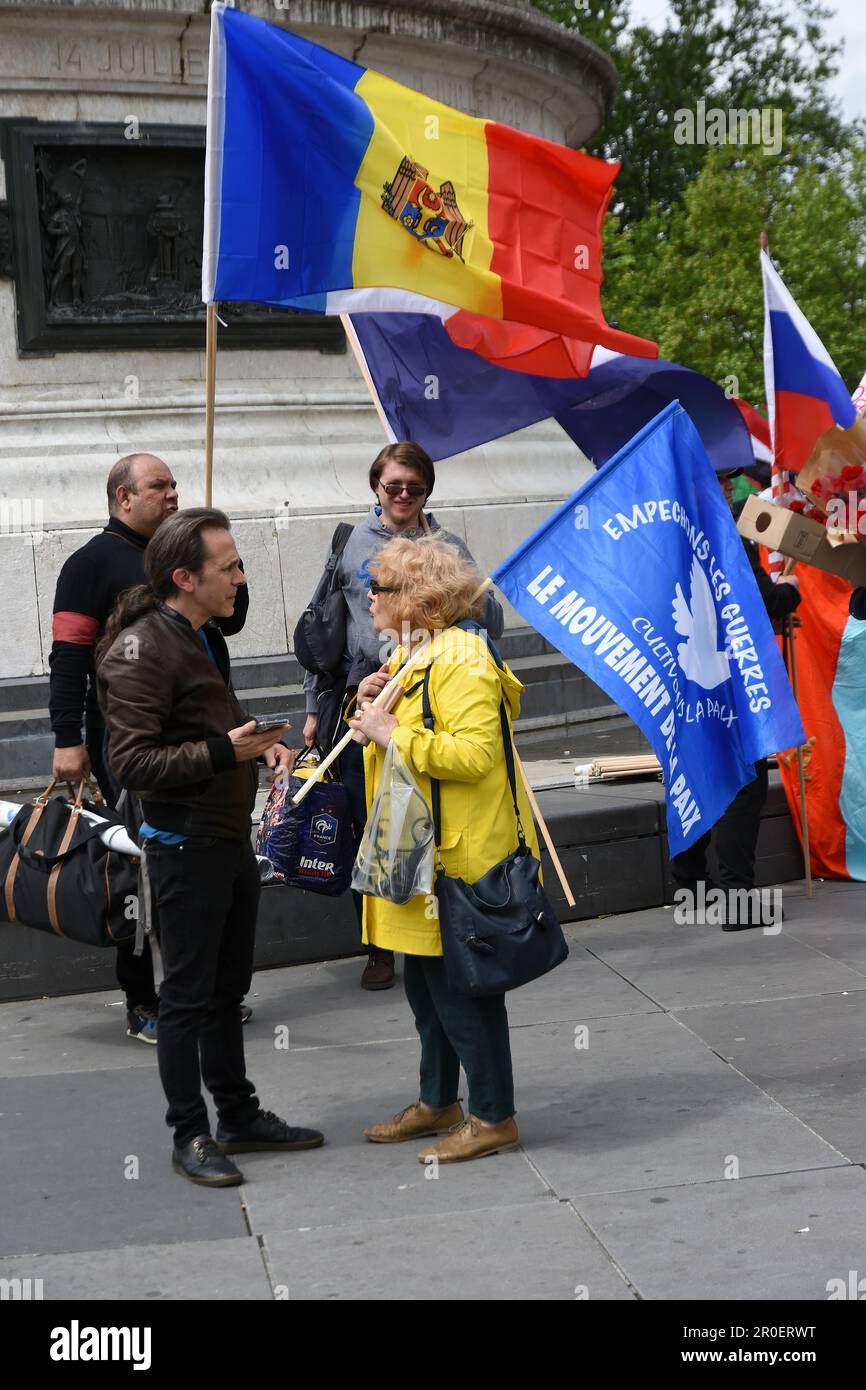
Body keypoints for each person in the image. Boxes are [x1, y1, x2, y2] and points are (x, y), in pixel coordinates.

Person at [96, 508, 323, 1187]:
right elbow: (131, 764)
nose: (241, 578)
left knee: (228, 991)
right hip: (183, 847)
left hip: (225, 839)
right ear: (184, 577)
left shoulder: (196, 635)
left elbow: (211, 719)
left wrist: (260, 744)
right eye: (229, 568)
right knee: (188, 1000)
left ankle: (239, 1114)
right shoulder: (139, 649)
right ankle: (188, 1134)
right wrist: (227, 749)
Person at [49, 453, 251, 1043]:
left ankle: (204, 992)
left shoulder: (181, 555)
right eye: (158, 486)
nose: (172, 494)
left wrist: (224, 560)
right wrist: (67, 738)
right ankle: (144, 999)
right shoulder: (88, 564)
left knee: (201, 870)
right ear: (123, 499)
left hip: (204, 741)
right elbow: (68, 657)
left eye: (175, 485)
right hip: (129, 742)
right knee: (139, 866)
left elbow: (232, 625)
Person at [349, 535, 534, 1163]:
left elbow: (476, 757)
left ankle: (492, 1116)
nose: (369, 597)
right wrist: (373, 706)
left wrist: (392, 730)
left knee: (463, 992)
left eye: (380, 588)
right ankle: (438, 1102)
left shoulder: (461, 658)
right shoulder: (418, 652)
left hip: (455, 858)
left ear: (418, 598)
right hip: (417, 852)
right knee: (427, 987)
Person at [301, 440, 504, 991]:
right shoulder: (348, 542)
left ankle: (443, 927)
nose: (404, 496)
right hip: (361, 692)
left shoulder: (448, 544)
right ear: (376, 487)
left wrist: (464, 598)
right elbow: (324, 626)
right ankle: (379, 945)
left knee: (426, 814)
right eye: (394, 486)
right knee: (370, 821)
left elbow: (492, 620)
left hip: (428, 689)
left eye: (415, 488)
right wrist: (315, 708)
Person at [670, 468, 802, 928]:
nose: (730, 488)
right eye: (722, 481)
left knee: (695, 771)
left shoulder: (666, 536)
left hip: (683, 678)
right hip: (727, 679)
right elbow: (762, 602)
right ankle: (735, 898)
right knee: (743, 783)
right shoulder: (724, 536)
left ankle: (691, 884)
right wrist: (790, 590)